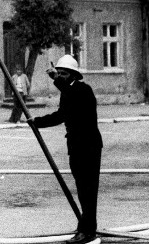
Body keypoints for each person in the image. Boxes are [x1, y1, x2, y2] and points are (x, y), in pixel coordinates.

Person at [31, 55, 102, 244]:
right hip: (76, 146)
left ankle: (87, 231)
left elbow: (71, 100)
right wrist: (37, 122)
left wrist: (55, 79)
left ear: (73, 75)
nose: (60, 76)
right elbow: (62, 115)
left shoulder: (82, 90)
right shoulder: (67, 92)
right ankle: (86, 228)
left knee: (88, 190)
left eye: (63, 73)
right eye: (59, 73)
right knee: (82, 189)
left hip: (89, 146)